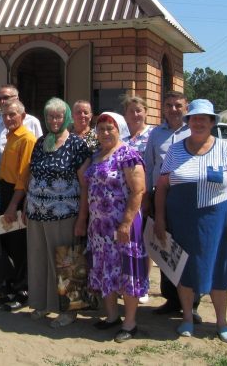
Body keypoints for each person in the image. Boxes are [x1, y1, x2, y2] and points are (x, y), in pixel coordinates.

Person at [153, 99, 227, 343]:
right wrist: (160, 219)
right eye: (194, 118)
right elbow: (162, 187)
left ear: (213, 122)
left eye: (204, 118)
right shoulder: (175, 150)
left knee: (218, 269)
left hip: (217, 220)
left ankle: (222, 322)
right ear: (188, 122)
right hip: (181, 219)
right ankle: (187, 318)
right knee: (185, 269)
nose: (199, 122)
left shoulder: (225, 149)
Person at [76, 112, 148, 342]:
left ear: (120, 130)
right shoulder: (96, 156)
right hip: (99, 228)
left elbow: (138, 191)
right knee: (105, 269)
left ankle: (130, 322)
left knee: (125, 271)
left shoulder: (128, 155)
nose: (105, 133)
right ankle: (111, 317)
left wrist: (126, 222)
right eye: (101, 129)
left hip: (122, 225)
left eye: (110, 128)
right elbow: (85, 184)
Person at [26, 98, 90, 328]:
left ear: (66, 118)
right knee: (39, 258)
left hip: (65, 213)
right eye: (51, 116)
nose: (54, 120)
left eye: (59, 116)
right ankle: (43, 304)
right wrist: (27, 205)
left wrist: (82, 217)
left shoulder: (76, 144)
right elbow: (32, 175)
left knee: (67, 260)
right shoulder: (40, 142)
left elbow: (85, 184)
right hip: (36, 212)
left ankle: (70, 310)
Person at [143, 91, 197, 319]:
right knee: (164, 246)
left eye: (178, 105)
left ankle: (192, 303)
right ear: (163, 108)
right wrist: (146, 197)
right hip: (159, 197)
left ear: (186, 108)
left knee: (188, 249)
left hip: (186, 197)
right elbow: (148, 166)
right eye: (169, 105)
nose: (173, 109)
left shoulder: (194, 131)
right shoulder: (156, 134)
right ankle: (171, 299)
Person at [0, 99, 38, 308]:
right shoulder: (10, 136)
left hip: (17, 196)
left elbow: (23, 177)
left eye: (12, 114)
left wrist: (13, 205)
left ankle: (23, 291)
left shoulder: (27, 139)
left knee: (20, 247)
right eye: (5, 115)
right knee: (9, 245)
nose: (8, 118)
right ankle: (12, 288)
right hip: (5, 193)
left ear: (22, 116)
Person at [121, 94, 153, 304]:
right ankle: (127, 280)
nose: (135, 114)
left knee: (144, 241)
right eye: (131, 111)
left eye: (138, 110)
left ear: (146, 112)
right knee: (130, 241)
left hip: (147, 194)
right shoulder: (122, 139)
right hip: (125, 198)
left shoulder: (152, 135)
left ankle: (144, 282)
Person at [0, 85, 43, 164]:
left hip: (26, 175)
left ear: (17, 98)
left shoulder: (33, 122)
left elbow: (40, 152)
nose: (2, 101)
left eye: (6, 97)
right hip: (1, 174)